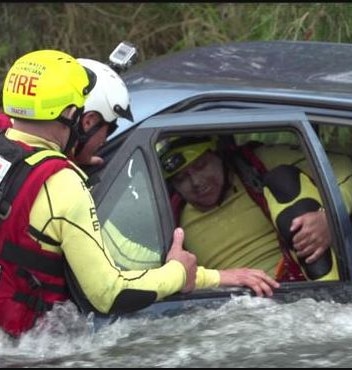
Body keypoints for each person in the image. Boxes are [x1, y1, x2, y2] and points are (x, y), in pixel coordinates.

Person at [0, 49, 278, 338]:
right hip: (34, 351)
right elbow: (108, 293)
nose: (104, 140)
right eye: (107, 130)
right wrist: (180, 273)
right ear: (77, 118)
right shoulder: (61, 183)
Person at [156, 134, 352, 282]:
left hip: (300, 294)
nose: (196, 182)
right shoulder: (169, 220)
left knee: (283, 180)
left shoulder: (258, 163)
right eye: (182, 178)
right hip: (229, 312)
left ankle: (327, 292)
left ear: (218, 154)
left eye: (201, 165)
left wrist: (330, 219)